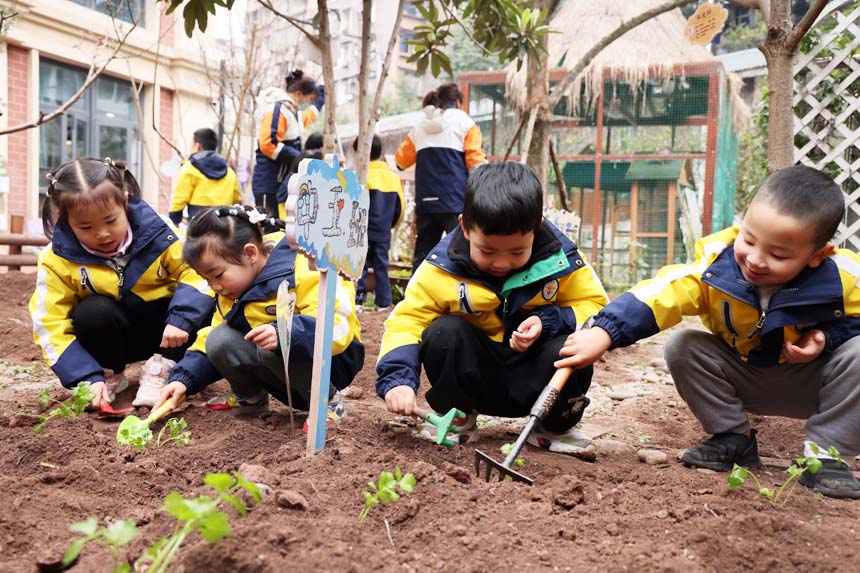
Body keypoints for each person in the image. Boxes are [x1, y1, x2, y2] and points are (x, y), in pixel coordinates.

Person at [556, 166, 860, 499]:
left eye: (778, 254)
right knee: (684, 345)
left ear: (818, 255)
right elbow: (662, 293)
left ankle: (827, 458)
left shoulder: (842, 277)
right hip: (745, 377)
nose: (756, 260)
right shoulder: (718, 269)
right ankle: (733, 438)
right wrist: (605, 331)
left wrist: (828, 336)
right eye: (748, 239)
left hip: (814, 385)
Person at [375, 162, 608, 453]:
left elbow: (597, 307)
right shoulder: (441, 268)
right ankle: (457, 418)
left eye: (516, 251)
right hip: (474, 380)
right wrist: (398, 379)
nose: (501, 263)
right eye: (487, 251)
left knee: (578, 342)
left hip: (539, 385)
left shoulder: (562, 262)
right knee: (443, 332)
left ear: (537, 229)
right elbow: (408, 320)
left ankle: (554, 426)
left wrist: (548, 321)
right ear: (465, 227)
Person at [29, 157, 214, 409]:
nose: (102, 233)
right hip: (114, 338)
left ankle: (163, 367)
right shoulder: (56, 259)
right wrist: (85, 376)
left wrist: (181, 318)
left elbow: (197, 271)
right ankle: (107, 374)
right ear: (64, 219)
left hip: (168, 332)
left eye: (110, 220)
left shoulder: (160, 232)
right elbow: (49, 324)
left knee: (204, 299)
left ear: (124, 203)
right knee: (92, 311)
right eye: (86, 227)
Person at [154, 206, 364, 426]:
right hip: (279, 364)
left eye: (218, 275)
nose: (215, 286)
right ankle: (250, 398)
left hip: (332, 360)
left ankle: (328, 403)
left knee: (269, 343)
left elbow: (336, 323)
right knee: (219, 338)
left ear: (250, 253)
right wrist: (184, 379)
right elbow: (211, 338)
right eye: (207, 280)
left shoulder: (304, 264)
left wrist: (288, 332)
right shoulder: (232, 291)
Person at [395, 83, 486, 271]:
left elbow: (400, 162)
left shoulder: (419, 126)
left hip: (426, 201)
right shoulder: (465, 122)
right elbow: (476, 164)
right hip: (455, 201)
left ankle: (415, 296)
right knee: (461, 252)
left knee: (423, 254)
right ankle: (459, 296)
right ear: (458, 102)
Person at [253, 70, 324, 219]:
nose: (308, 104)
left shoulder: (291, 112)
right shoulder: (277, 110)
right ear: (299, 94)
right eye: (309, 99)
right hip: (269, 183)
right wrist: (300, 157)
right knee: (270, 232)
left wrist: (320, 100)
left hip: (280, 183)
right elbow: (268, 143)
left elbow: (308, 116)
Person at [354, 134, 404, 310]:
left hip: (363, 231)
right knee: (381, 266)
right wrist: (390, 225)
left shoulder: (361, 177)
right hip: (383, 232)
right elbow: (401, 208)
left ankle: (358, 301)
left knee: (360, 266)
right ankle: (384, 302)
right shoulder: (393, 177)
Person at [169, 127, 242, 226]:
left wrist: (174, 220)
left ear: (197, 146)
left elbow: (180, 197)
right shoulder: (229, 172)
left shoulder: (190, 168)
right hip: (223, 220)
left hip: (199, 220)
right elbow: (236, 198)